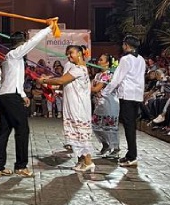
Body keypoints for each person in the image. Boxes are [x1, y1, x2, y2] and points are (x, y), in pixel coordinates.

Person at [0, 21, 56, 178]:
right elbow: (33, 42)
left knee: (4, 131)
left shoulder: (11, 57)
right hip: (10, 97)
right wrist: (48, 28)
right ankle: (20, 166)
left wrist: (22, 95)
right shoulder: (15, 54)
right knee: (22, 129)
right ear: (20, 43)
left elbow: (14, 79)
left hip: (6, 95)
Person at [40, 44, 94, 172]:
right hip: (73, 105)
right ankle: (81, 160)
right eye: (68, 54)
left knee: (80, 133)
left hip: (78, 106)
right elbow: (64, 85)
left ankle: (88, 161)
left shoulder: (78, 69)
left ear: (79, 53)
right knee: (75, 133)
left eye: (71, 53)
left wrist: (44, 81)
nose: (69, 56)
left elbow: (60, 81)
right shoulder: (77, 69)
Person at [100, 34, 146, 167]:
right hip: (137, 95)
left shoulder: (126, 59)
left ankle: (132, 156)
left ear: (127, 45)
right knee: (131, 126)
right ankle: (131, 154)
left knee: (129, 126)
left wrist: (105, 91)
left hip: (127, 95)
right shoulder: (141, 59)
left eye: (123, 44)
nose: (122, 46)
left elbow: (117, 78)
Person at [91, 53, 120, 159]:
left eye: (101, 60)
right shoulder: (97, 75)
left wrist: (82, 86)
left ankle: (116, 148)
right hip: (99, 105)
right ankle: (105, 145)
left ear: (108, 63)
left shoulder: (108, 74)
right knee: (96, 127)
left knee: (110, 128)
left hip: (109, 104)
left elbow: (96, 88)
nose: (99, 62)